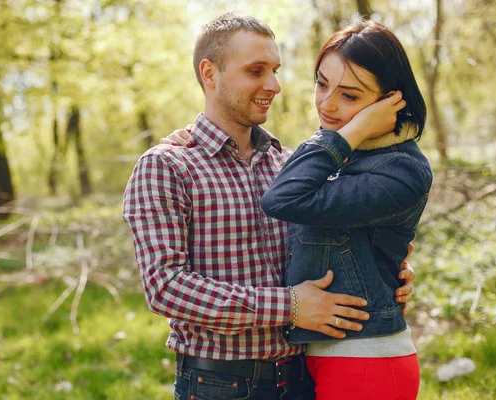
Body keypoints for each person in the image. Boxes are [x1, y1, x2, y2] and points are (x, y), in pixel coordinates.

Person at [124, 13, 415, 400]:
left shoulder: (291, 164)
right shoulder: (168, 165)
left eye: (275, 70)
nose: (274, 85)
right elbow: (166, 287)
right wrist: (289, 306)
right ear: (209, 74)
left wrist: (389, 270)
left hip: (304, 377)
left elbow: (335, 245)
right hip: (220, 384)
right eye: (256, 71)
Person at [259, 20, 432, 399]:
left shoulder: (402, 170)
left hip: (366, 361)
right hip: (317, 358)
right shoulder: (342, 158)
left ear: (391, 100)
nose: (327, 103)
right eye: (322, 83)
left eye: (350, 96)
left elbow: (282, 199)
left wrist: (346, 134)